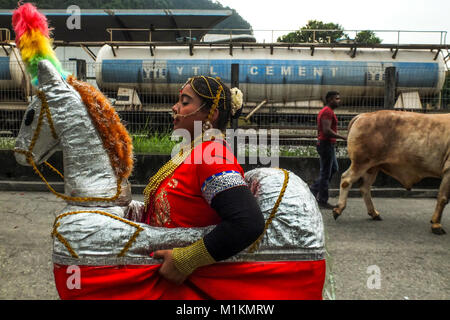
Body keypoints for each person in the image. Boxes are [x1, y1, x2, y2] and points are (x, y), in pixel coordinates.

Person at [143, 76, 265, 285]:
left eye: (185, 102)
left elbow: (248, 223)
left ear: (211, 114)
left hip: (188, 286)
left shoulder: (212, 155)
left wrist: (185, 260)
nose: (175, 108)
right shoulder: (193, 153)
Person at [310, 91, 346, 209]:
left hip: (327, 144)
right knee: (325, 173)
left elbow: (320, 129)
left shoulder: (327, 111)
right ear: (330, 99)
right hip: (326, 145)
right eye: (337, 98)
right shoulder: (327, 112)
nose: (339, 100)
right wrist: (342, 137)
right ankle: (322, 200)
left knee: (334, 168)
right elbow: (326, 130)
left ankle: (313, 190)